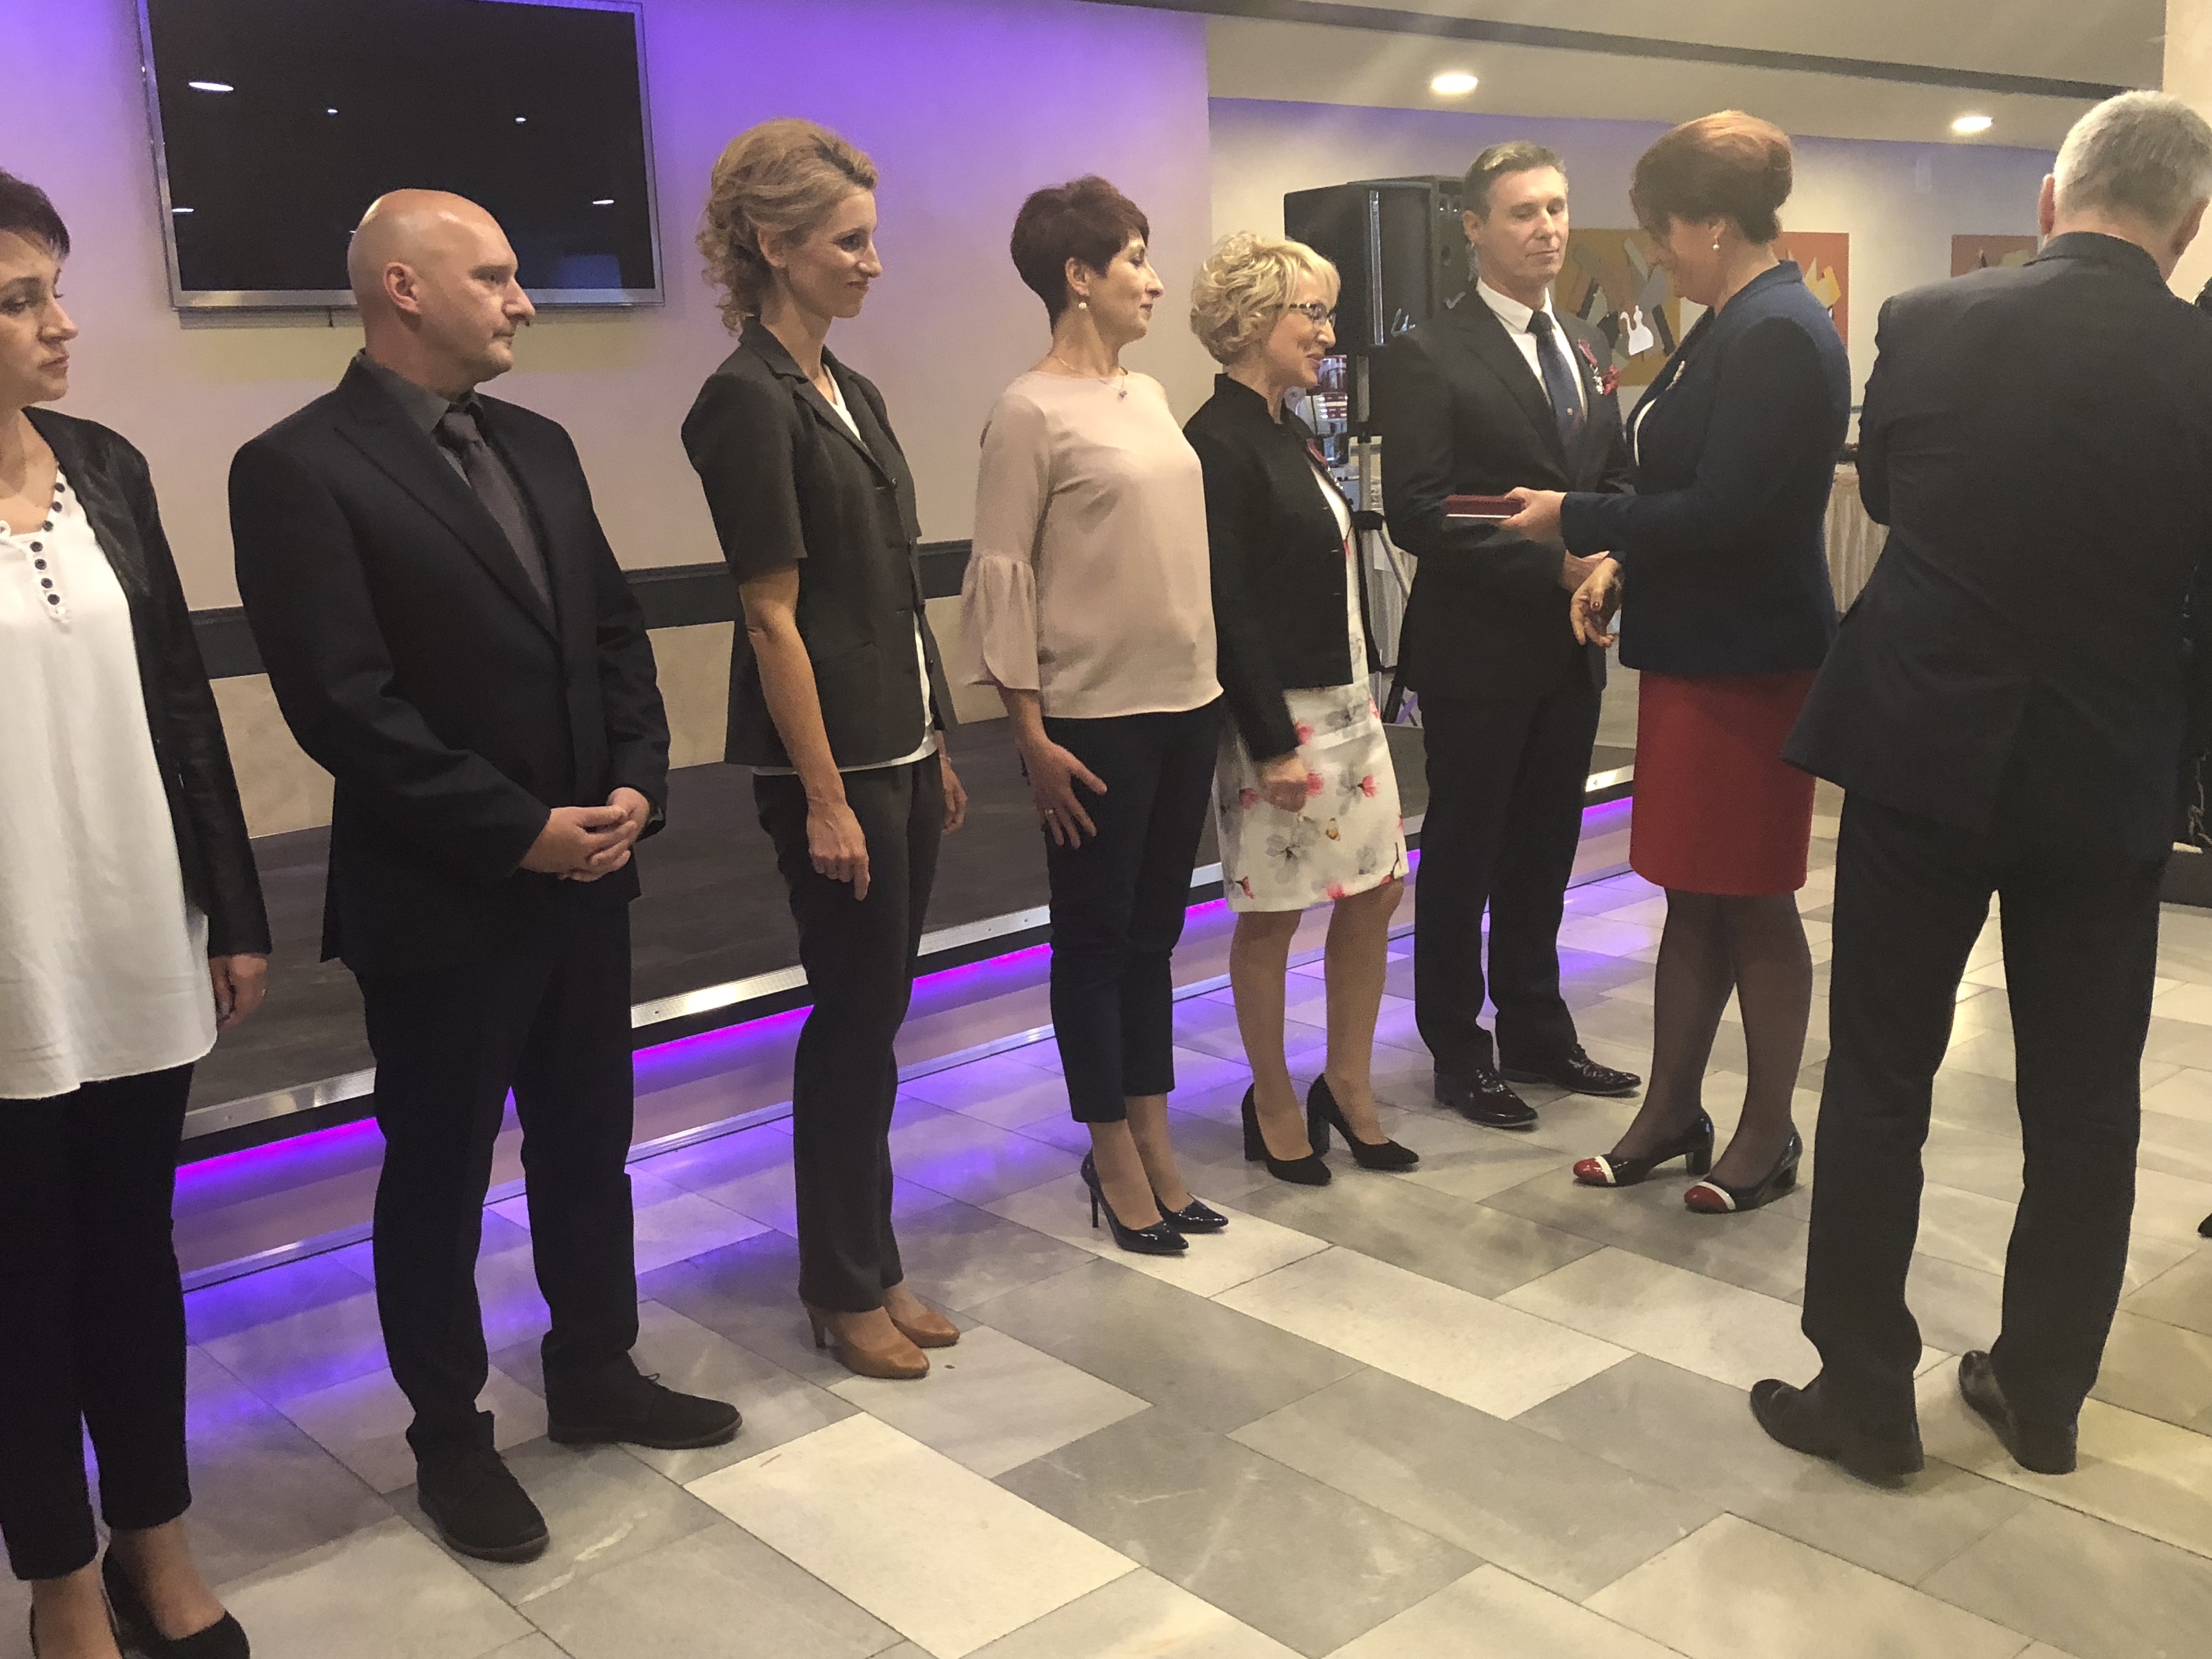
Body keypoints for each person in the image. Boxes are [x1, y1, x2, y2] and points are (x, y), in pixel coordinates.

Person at [230, 191, 736, 1566]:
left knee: (587, 1147)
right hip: (443, 902)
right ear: (404, 287)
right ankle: (450, 1438)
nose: (524, 301)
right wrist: (517, 828)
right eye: (498, 277)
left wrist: (639, 782)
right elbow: (345, 706)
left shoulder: (541, 445)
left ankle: (596, 1370)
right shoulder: (296, 468)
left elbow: (615, 635)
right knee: (440, 1178)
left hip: (588, 880)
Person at [1751, 92, 2212, 1485]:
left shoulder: (1932, 321)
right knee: (2087, 1096)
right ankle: (2045, 1389)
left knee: (1881, 1075)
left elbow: (1890, 494)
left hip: (1922, 749)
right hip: (2110, 768)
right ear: (2190, 227)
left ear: (2051, 201)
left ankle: (1865, 1395)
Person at [0, 171, 267, 1659]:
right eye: (19, 300)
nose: (62, 324)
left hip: (130, 929)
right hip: (6, 957)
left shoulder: (105, 464)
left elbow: (181, 701)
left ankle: (155, 1541)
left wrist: (231, 908)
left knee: (131, 1255)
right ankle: (56, 1577)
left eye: (55, 289)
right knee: (19, 1279)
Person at [1500, 112, 1849, 1212]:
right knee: (1693, 894)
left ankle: (1767, 1131)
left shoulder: (1778, 329)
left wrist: (1577, 517)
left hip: (1749, 664)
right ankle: (1671, 1113)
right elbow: (1689, 496)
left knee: (1752, 898)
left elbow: (1731, 511)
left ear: (1711, 223)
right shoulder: (1733, 322)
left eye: (1660, 233)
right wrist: (1623, 562)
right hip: (1703, 649)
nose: (1656, 255)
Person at [682, 121, 967, 1381]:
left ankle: (875, 1260)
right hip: (834, 766)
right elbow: (771, 614)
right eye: (850, 242)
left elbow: (894, 592)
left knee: (879, 1016)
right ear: (775, 244)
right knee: (850, 1022)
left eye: (870, 239)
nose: (872, 263)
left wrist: (934, 738)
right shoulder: (745, 401)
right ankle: (841, 1283)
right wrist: (825, 795)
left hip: (896, 742)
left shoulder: (851, 390)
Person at [962, 177, 1223, 1254]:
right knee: (1097, 939)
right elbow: (1004, 573)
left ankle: (1155, 1138)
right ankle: (1110, 1150)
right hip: (1094, 718)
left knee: (1157, 935)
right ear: (1078, 276)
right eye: (1134, 261)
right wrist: (1030, 734)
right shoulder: (1028, 411)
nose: (1154, 281)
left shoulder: (1149, 394)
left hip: (1187, 702)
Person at [1378, 142, 1641, 1134]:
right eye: (1524, 212)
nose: (1548, 229)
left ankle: (1537, 1025)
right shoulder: (1429, 354)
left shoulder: (1584, 343)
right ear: (1475, 228)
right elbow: (1420, 510)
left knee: (1545, 849)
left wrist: (1610, 560)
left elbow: (1613, 482)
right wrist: (1555, 565)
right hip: (1479, 650)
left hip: (1573, 646)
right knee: (1465, 855)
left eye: (1558, 208)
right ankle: (1457, 1046)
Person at [1184, 232, 1412, 1184]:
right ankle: (1273, 1097)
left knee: (1378, 889)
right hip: (1281, 719)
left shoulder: (1287, 427)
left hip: (1347, 706)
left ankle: (1348, 1083)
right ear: (1250, 320)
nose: (1327, 332)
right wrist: (1271, 744)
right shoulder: (1217, 439)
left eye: (1328, 313)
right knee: (1274, 913)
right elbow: (1228, 605)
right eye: (1311, 313)